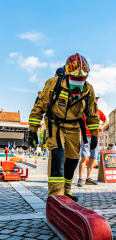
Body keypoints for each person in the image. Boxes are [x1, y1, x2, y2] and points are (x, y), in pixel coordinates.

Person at [28, 53, 99, 202]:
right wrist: (33, 129)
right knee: (58, 156)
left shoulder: (88, 90)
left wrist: (94, 135)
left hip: (74, 127)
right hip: (55, 125)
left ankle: (66, 191)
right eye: (75, 78)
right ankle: (55, 195)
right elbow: (39, 106)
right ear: (67, 74)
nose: (78, 82)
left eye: (82, 79)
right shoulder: (54, 84)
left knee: (73, 159)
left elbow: (92, 114)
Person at [78, 96, 108, 186]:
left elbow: (106, 121)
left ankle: (88, 178)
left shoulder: (98, 112)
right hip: (86, 136)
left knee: (92, 158)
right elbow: (80, 124)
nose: (96, 101)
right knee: (84, 157)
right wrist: (80, 137)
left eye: (97, 100)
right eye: (94, 99)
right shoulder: (84, 112)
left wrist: (101, 127)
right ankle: (80, 179)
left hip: (96, 137)